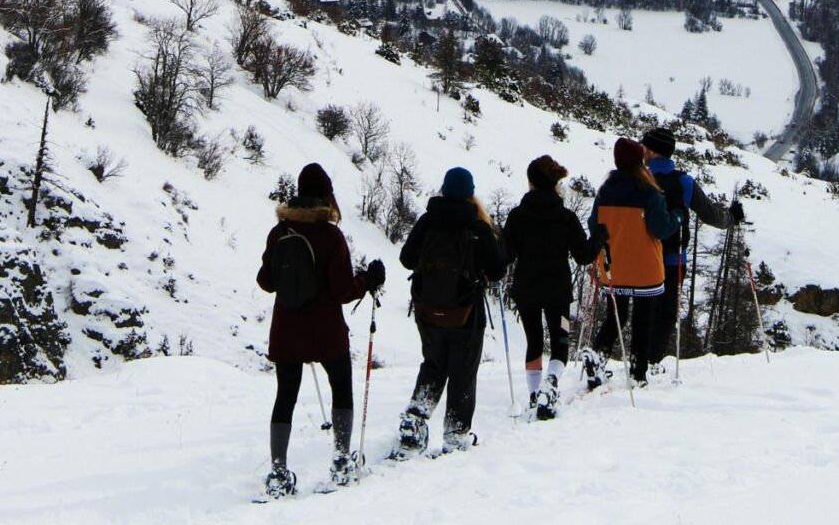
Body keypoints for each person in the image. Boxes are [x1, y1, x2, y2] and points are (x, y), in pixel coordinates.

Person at [257, 163, 386, 497]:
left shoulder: (279, 232)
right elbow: (342, 291)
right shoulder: (330, 236)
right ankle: (341, 461)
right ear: (326, 195)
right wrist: (368, 281)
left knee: (285, 395)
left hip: (287, 330)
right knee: (341, 388)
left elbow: (265, 282)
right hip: (326, 330)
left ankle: (278, 471)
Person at [393, 167, 506, 457]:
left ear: (443, 190)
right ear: (470, 194)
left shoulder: (427, 222)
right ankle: (456, 434)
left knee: (433, 363)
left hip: (428, 310)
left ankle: (415, 421)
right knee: (463, 372)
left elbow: (406, 259)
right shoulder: (477, 228)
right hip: (466, 312)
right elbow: (497, 270)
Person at [502, 155, 607, 420]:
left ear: (531, 182)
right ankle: (551, 383)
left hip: (526, 289)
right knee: (560, 341)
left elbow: (506, 255)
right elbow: (583, 255)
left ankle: (535, 393)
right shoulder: (565, 217)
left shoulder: (517, 216)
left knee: (533, 341)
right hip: (557, 290)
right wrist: (600, 237)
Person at [641, 128, 744, 374]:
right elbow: (710, 215)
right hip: (674, 258)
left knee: (644, 310)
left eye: (645, 146)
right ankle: (651, 361)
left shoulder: (639, 178)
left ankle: (639, 357)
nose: (641, 149)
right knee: (666, 313)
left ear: (653, 151)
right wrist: (732, 218)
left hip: (643, 255)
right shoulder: (683, 182)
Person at [581, 138, 682, 389]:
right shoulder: (649, 191)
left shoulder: (605, 191)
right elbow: (661, 228)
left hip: (613, 266)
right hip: (645, 267)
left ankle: (598, 355)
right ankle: (638, 372)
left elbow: (594, 225)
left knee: (616, 315)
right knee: (642, 320)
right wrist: (678, 216)